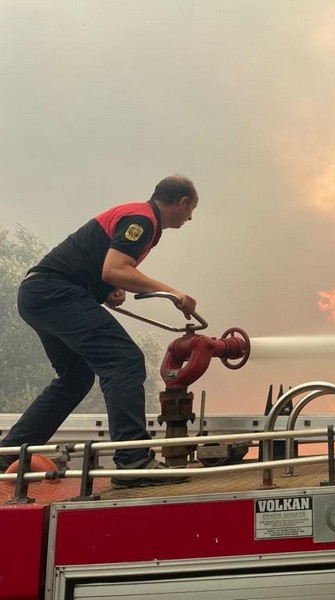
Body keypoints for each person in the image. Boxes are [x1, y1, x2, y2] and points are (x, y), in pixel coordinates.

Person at [0, 175, 199, 488]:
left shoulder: (138, 217)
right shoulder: (143, 220)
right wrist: (174, 293)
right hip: (55, 292)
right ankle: (133, 462)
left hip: (39, 293)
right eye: (190, 211)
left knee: (76, 378)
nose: (189, 218)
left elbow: (105, 269)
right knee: (125, 359)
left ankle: (8, 453)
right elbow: (115, 267)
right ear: (183, 202)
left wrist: (107, 289)